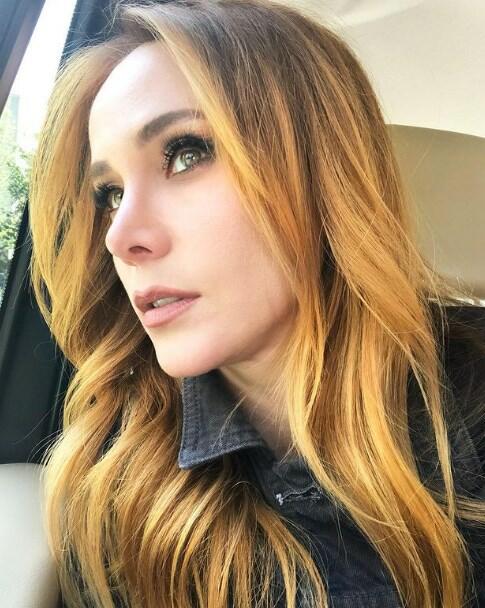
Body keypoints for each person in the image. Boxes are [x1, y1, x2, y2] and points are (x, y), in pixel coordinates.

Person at [28, 0, 484, 606]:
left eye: (185, 153)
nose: (120, 236)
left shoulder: (470, 409)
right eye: (109, 193)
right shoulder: (118, 488)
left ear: (322, 169)